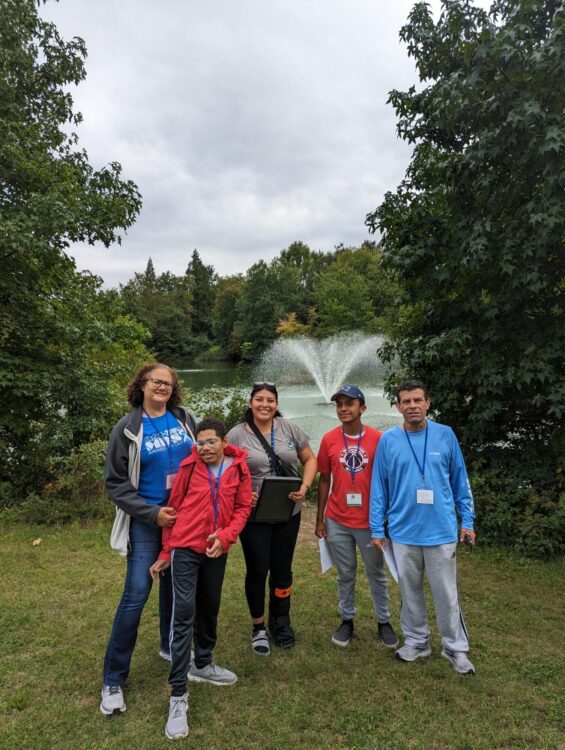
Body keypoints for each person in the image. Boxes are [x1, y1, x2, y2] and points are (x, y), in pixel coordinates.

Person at [100, 363, 196, 716]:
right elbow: (115, 483)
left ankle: (170, 647)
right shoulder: (127, 428)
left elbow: (200, 462)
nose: (163, 387)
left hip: (183, 521)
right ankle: (113, 678)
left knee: (176, 587)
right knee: (136, 593)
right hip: (147, 522)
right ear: (141, 384)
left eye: (168, 383)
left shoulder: (184, 418)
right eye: (156, 381)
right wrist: (151, 513)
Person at [149, 417, 252, 740]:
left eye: (211, 442)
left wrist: (226, 536)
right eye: (200, 442)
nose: (205, 448)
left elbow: (242, 507)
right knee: (183, 615)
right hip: (185, 548)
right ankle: (178, 693)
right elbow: (172, 511)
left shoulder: (238, 468)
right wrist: (166, 552)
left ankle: (203, 663)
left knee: (210, 607)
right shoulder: (188, 469)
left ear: (223, 442)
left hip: (216, 549)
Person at [370, 379, 476, 674]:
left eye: (418, 400)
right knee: (410, 590)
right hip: (403, 533)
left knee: (446, 592)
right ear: (397, 406)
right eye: (406, 401)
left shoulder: (445, 435)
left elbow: (460, 481)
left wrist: (467, 521)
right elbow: (379, 487)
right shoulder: (388, 440)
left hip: (441, 532)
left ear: (427, 403)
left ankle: (455, 648)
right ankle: (417, 641)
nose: (412, 406)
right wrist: (377, 528)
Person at [227, 382, 317, 653]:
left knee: (282, 569)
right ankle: (258, 627)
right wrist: (242, 495)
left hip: (289, 512)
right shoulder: (236, 435)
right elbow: (223, 473)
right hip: (253, 516)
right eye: (259, 399)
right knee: (257, 570)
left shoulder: (289, 428)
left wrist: (305, 486)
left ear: (276, 403)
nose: (264, 404)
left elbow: (310, 459)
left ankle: (281, 620)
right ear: (250, 402)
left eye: (270, 400)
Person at [315, 384, 398, 649]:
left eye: (349, 404)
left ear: (362, 408)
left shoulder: (379, 439)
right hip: (337, 519)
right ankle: (347, 620)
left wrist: (385, 520)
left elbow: (388, 481)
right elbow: (324, 480)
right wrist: (320, 518)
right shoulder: (329, 439)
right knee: (345, 573)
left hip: (369, 522)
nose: (343, 409)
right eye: (339, 404)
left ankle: (383, 622)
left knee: (376, 573)